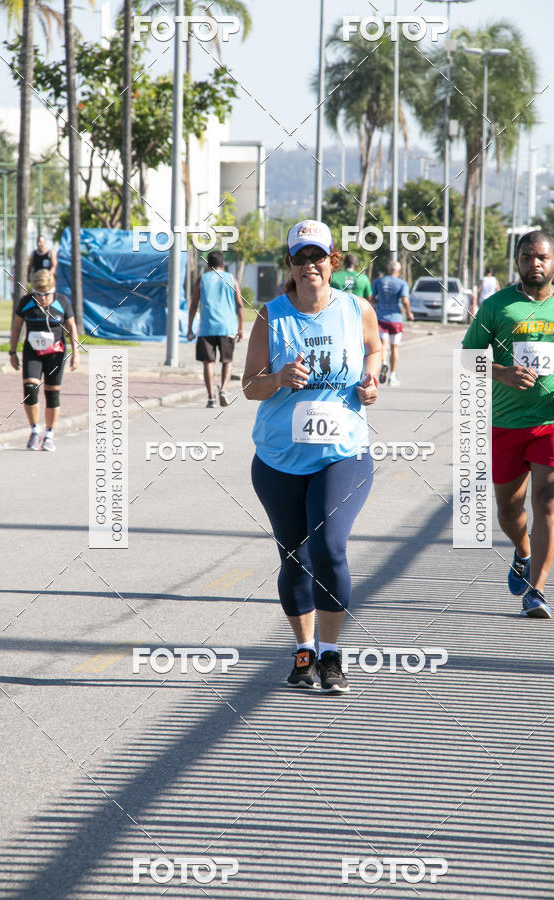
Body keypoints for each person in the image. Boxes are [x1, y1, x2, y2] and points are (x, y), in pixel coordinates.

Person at [243, 219, 381, 692]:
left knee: (329, 546)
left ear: (333, 260)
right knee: (294, 556)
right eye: (300, 258)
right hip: (279, 458)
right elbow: (248, 386)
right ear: (290, 264)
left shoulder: (355, 308)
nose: (309, 266)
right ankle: (303, 649)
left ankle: (332, 652)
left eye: (317, 256)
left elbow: (374, 350)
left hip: (342, 452)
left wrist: (371, 380)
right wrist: (277, 379)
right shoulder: (271, 315)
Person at [463, 230, 554, 618]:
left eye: (541, 257)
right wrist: (501, 373)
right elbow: (468, 358)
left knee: (547, 502)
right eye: (525, 257)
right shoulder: (497, 306)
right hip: (506, 421)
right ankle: (523, 551)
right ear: (516, 262)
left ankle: (537, 590)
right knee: (509, 509)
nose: (533, 263)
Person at [9, 269, 79, 451]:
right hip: (33, 352)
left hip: (55, 354)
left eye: (46, 294)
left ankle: (49, 435)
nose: (42, 298)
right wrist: (12, 351)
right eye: (38, 294)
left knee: (52, 393)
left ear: (52, 289)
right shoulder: (26, 302)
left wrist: (76, 353)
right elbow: (16, 327)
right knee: (30, 389)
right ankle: (34, 430)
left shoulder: (62, 301)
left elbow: (71, 327)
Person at [187, 250, 244, 408]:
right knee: (227, 361)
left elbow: (193, 305)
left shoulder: (202, 279)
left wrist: (190, 329)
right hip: (227, 326)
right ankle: (224, 390)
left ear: (208, 265)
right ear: (223, 264)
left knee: (208, 362)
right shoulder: (231, 278)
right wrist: (240, 328)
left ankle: (211, 398)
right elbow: (240, 304)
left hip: (207, 328)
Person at [371, 261, 413, 386]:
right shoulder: (402, 283)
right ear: (399, 271)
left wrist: (379, 303)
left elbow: (373, 297)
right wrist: (409, 313)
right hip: (395, 319)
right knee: (395, 347)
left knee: (383, 346)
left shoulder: (378, 281)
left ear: (388, 269)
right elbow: (405, 300)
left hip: (381, 318)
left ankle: (384, 363)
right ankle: (392, 376)